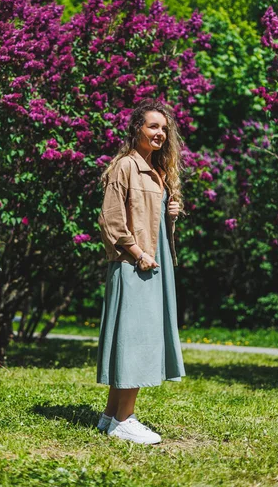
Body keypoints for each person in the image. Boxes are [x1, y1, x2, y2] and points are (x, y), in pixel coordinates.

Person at [96, 98, 186, 445]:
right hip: (136, 266)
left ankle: (109, 417)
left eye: (164, 128)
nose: (160, 133)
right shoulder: (125, 167)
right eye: (153, 126)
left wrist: (171, 212)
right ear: (136, 129)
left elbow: (152, 222)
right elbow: (111, 218)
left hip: (153, 264)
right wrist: (137, 254)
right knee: (134, 343)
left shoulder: (157, 172)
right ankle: (124, 420)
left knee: (131, 340)